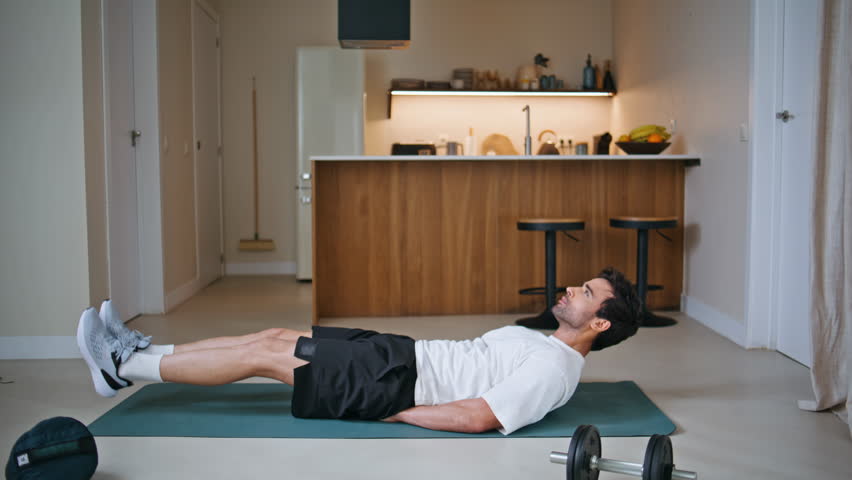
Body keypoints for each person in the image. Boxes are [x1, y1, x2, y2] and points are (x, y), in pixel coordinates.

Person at [76, 267, 641, 435]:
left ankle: (123, 366)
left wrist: (388, 409)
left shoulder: (554, 367)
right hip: (400, 353)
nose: (571, 288)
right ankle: (139, 352)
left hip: (395, 381)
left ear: (598, 323)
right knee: (274, 338)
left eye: (585, 293)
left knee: (266, 358)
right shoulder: (541, 341)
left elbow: (480, 416)